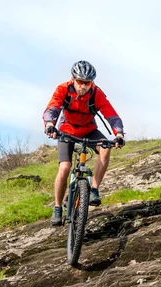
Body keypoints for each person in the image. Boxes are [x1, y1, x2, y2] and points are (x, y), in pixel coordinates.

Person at [43, 60, 125, 226]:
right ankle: (58, 207)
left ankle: (93, 189)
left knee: (105, 147)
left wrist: (120, 134)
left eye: (87, 83)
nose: (83, 86)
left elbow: (112, 116)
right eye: (80, 82)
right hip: (66, 130)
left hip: (88, 129)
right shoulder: (63, 89)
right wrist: (50, 124)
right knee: (65, 167)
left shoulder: (96, 94)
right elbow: (52, 108)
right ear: (73, 79)